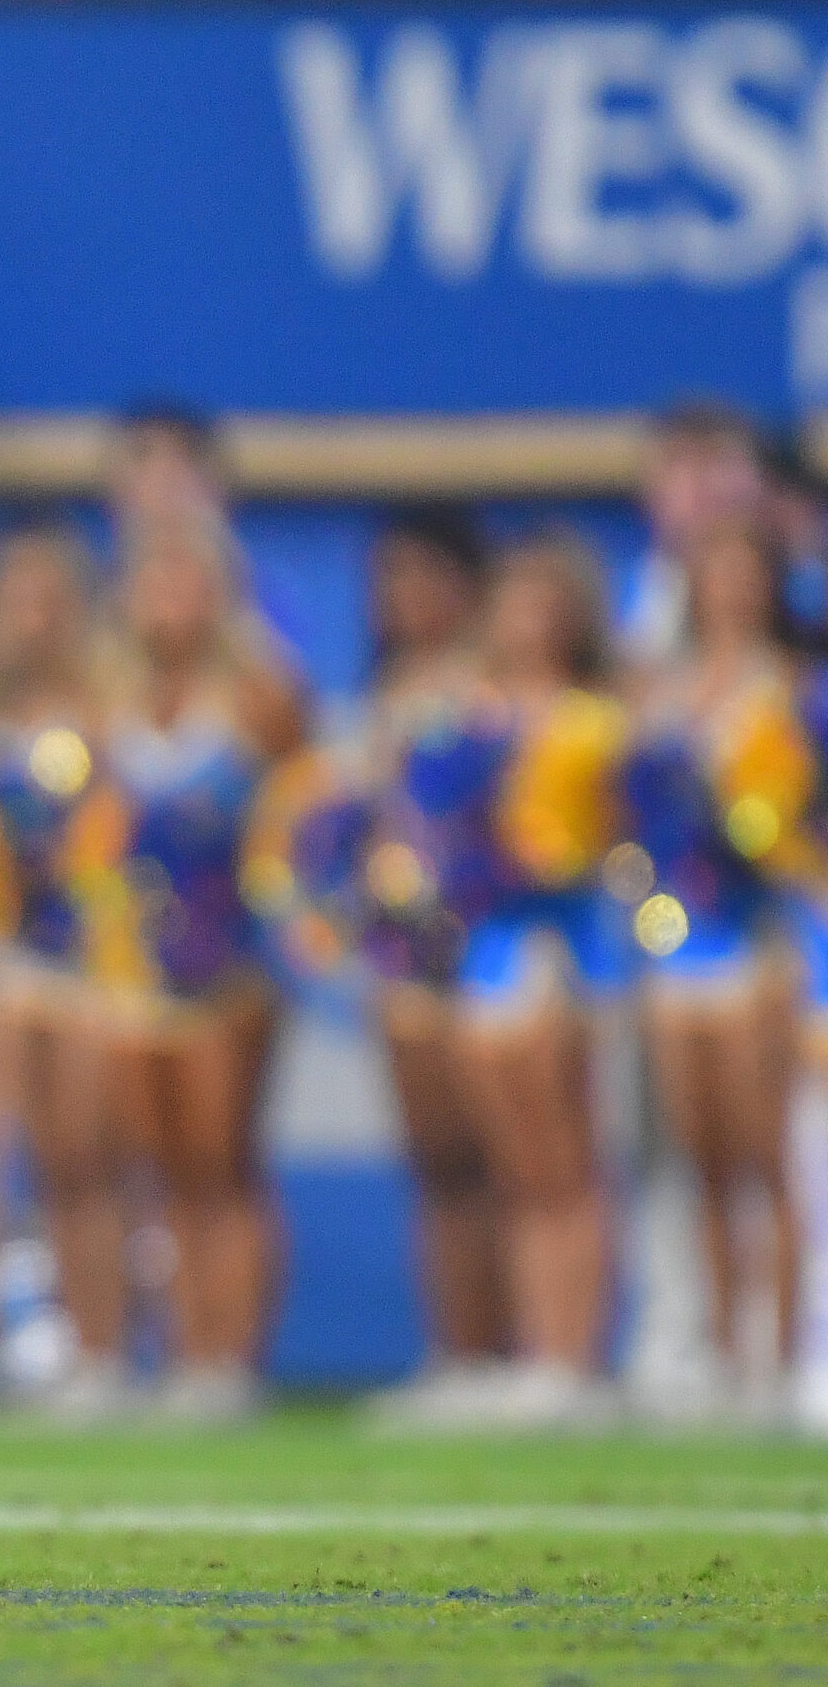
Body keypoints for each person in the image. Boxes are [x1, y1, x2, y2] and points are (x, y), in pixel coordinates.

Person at [82, 509, 305, 1421]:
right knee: (161, 1168)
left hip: (230, 966)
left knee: (225, 1162)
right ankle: (183, 1351)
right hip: (133, 971)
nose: (168, 602)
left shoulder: (261, 698)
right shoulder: (103, 699)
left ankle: (234, 1357)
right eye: (152, 582)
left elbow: (306, 820)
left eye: (187, 583)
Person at [433, 531, 628, 1427]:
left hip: (563, 941)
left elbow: (619, 835)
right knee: (511, 1164)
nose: (525, 620)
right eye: (511, 601)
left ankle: (575, 1353)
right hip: (488, 947)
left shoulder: (595, 717)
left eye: (544, 603)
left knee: (564, 1160)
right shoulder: (469, 714)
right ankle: (531, 1347)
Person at [623, 516, 808, 1420]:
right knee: (696, 1161)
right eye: (714, 571)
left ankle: (785, 1353)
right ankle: (717, 1350)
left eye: (747, 572)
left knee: (762, 1157)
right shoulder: (659, 688)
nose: (730, 590)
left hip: (752, 937)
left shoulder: (793, 689)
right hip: (673, 942)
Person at [346, 507, 511, 1424]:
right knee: (438, 1160)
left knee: (506, 1161)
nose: (406, 598)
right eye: (391, 581)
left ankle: (518, 1352)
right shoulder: (386, 689)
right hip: (405, 952)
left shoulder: (491, 684)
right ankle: (457, 1351)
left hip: (484, 946)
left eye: (425, 577)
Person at [0, 523, 120, 1415]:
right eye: (17, 602)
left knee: (84, 1160)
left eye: (49, 603)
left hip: (90, 963)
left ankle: (98, 1347)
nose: (32, 620)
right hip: (2, 961)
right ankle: (2, 1348)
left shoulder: (105, 713)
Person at [622, 401, 766, 666]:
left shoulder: (805, 597)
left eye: (718, 463)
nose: (705, 490)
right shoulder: (615, 602)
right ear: (649, 492)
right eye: (685, 466)